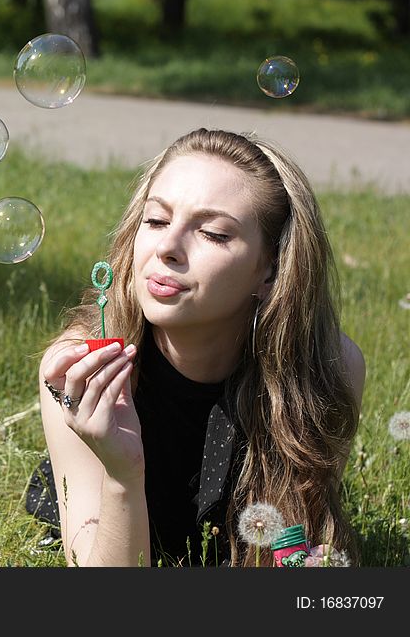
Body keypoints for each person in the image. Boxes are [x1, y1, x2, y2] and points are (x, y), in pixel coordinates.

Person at [26, 128, 366, 567]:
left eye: (213, 233)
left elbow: (288, 541)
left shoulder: (325, 368)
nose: (167, 248)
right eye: (156, 220)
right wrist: (122, 472)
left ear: (271, 271)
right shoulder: (81, 368)